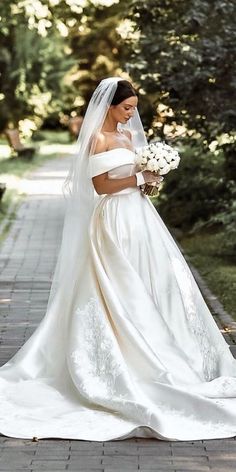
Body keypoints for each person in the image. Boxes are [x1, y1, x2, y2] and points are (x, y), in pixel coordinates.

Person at [0, 77, 236, 442]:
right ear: (110, 106)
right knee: (116, 282)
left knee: (154, 279)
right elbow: (102, 186)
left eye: (134, 109)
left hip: (140, 217)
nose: (131, 115)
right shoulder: (99, 139)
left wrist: (149, 182)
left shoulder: (128, 138)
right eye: (127, 108)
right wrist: (140, 175)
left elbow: (132, 180)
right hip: (112, 219)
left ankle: (163, 348)